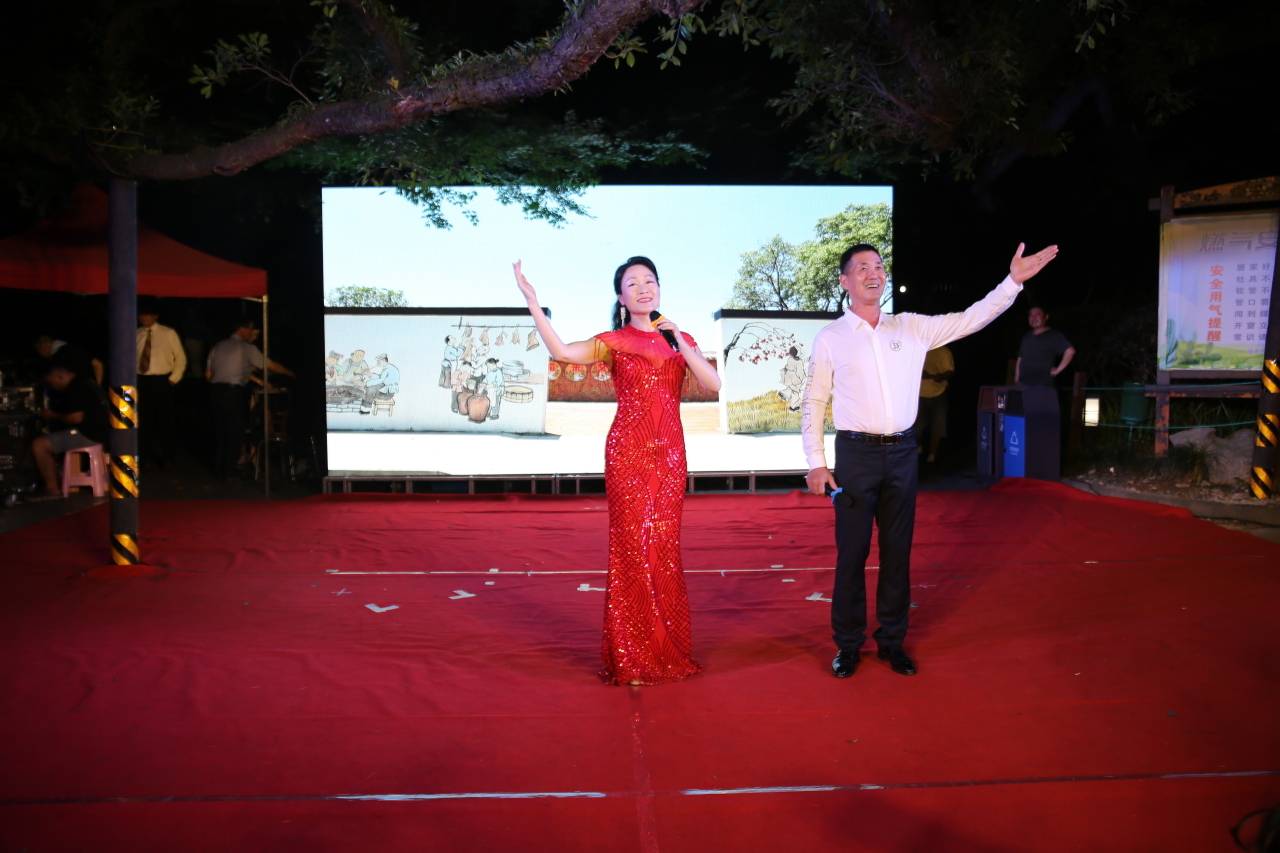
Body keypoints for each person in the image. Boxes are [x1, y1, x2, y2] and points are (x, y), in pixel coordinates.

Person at [803, 242, 1059, 679]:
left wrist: (1012, 283)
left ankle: (892, 642)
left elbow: (971, 318)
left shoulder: (911, 327)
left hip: (902, 453)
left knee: (897, 552)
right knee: (852, 553)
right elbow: (814, 399)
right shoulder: (831, 338)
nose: (874, 273)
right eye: (862, 268)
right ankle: (848, 645)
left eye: (879, 266)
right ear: (845, 281)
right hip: (856, 455)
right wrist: (815, 461)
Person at [514, 256, 722, 685]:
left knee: (663, 548)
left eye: (650, 281)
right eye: (633, 283)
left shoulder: (681, 338)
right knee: (632, 548)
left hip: (670, 455)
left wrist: (680, 342)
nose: (644, 288)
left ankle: (666, 649)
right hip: (628, 453)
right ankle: (630, 655)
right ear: (621, 297)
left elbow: (713, 383)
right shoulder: (613, 341)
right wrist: (533, 303)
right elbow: (561, 352)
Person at [205, 320, 293, 478]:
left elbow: (208, 375)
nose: (254, 335)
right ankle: (229, 471)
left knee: (220, 431)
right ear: (243, 329)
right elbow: (270, 365)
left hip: (215, 392)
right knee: (234, 431)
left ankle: (219, 470)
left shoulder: (218, 346)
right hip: (232, 393)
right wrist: (290, 373)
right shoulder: (246, 348)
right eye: (252, 331)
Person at [30, 359, 108, 500]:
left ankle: (52, 489)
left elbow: (76, 418)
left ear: (59, 376)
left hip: (89, 434)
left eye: (52, 382)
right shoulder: (87, 382)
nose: (53, 387)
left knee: (39, 445)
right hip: (101, 432)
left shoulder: (76, 387)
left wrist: (52, 415)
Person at [135, 301, 187, 466]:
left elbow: (180, 357)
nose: (144, 318)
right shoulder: (137, 333)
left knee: (165, 420)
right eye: (142, 315)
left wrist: (173, 379)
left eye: (147, 315)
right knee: (143, 420)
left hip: (162, 380)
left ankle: (167, 456)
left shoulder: (168, 333)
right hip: (142, 380)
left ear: (155, 316)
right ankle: (144, 457)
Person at [1015, 305, 1075, 386]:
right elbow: (1020, 358)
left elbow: (1070, 351)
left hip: (1042, 385)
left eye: (1037, 314)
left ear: (1046, 317)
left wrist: (1057, 370)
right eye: (1031, 315)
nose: (1033, 318)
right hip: (1023, 384)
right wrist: (1016, 378)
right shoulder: (1026, 336)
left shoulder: (1053, 335)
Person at [917, 345, 954, 464]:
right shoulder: (920, 347)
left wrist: (935, 376)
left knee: (938, 425)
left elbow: (949, 372)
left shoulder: (943, 351)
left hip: (938, 393)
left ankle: (932, 454)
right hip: (920, 394)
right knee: (918, 425)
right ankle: (918, 447)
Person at [33, 335, 103, 386]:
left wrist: (96, 389)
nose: (41, 355)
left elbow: (97, 364)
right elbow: (97, 364)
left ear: (44, 346)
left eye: (39, 351)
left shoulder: (60, 355)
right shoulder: (71, 348)